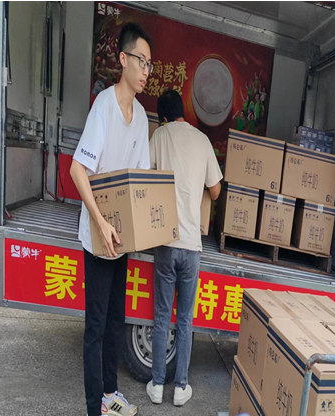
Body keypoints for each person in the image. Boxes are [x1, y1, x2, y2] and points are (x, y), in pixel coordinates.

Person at [70, 22, 153, 416]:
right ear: (123, 59)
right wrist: (100, 222)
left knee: (116, 321)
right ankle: (94, 407)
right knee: (96, 326)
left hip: (121, 239)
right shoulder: (104, 106)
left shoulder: (142, 118)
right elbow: (78, 170)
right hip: (98, 235)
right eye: (141, 61)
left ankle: (110, 395)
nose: (146, 70)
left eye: (150, 64)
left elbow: (140, 181)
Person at [146, 89, 222, 407]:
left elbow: (144, 177)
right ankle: (181, 388)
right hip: (192, 246)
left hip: (165, 241)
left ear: (163, 117)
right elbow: (215, 191)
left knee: (162, 317)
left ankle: (157, 385)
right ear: (183, 112)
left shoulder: (159, 136)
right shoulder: (202, 141)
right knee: (186, 320)